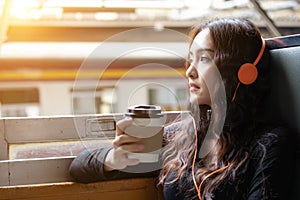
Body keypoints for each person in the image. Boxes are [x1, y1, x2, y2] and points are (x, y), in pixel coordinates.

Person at [69, 18, 296, 200]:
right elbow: (79, 167)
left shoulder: (270, 143)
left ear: (243, 72)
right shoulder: (184, 138)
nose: (189, 71)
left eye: (205, 58)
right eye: (190, 59)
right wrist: (115, 158)